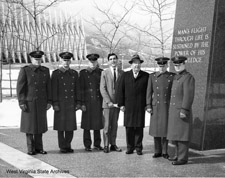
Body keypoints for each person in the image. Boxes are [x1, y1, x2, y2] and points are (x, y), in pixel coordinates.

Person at [16, 50, 51, 155]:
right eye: (36, 59)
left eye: (39, 59)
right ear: (31, 59)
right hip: (29, 102)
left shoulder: (45, 70)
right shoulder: (25, 70)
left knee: (40, 125)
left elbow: (48, 87)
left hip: (41, 102)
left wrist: (49, 101)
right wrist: (21, 102)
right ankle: (30, 149)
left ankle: (39, 148)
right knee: (30, 126)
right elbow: (20, 88)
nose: (38, 61)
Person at [117, 54, 149, 155]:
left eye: (138, 63)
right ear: (131, 65)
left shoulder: (146, 76)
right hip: (128, 106)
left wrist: (147, 105)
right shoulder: (125, 75)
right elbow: (120, 91)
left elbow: (148, 92)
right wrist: (121, 104)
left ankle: (138, 147)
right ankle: (130, 147)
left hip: (140, 106)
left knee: (139, 127)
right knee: (129, 127)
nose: (137, 66)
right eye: (135, 63)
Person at [167, 56, 195, 165]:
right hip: (174, 111)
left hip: (181, 111)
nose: (177, 66)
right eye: (175, 65)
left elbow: (188, 96)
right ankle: (175, 155)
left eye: (179, 64)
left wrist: (184, 110)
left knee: (183, 135)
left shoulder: (188, 77)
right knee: (175, 134)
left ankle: (182, 158)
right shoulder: (176, 77)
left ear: (184, 64)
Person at [51, 52, 80, 153]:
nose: (66, 62)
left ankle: (68, 144)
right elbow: (53, 90)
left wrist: (78, 103)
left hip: (71, 103)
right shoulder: (56, 74)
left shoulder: (74, 74)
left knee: (70, 126)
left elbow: (77, 90)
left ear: (70, 61)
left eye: (68, 60)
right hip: (60, 104)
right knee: (60, 127)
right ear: (60, 61)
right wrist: (54, 103)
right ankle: (62, 146)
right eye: (64, 60)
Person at [146, 57, 175, 159]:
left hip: (167, 106)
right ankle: (157, 151)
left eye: (163, 66)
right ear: (157, 66)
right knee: (156, 131)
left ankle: (165, 151)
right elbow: (149, 93)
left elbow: (173, 93)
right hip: (156, 107)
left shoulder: (172, 76)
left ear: (167, 66)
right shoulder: (152, 76)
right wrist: (148, 105)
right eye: (160, 66)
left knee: (165, 131)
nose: (161, 68)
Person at [79, 53, 104, 151]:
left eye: (94, 61)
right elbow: (80, 89)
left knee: (97, 125)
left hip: (98, 101)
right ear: (88, 62)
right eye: (91, 61)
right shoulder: (83, 73)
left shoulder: (101, 72)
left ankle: (97, 144)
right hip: (87, 102)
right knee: (87, 125)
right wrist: (82, 103)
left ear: (97, 61)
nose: (93, 63)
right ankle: (87, 145)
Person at [100, 53, 124, 153]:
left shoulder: (122, 73)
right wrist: (108, 101)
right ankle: (106, 145)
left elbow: (123, 89)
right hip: (107, 104)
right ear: (108, 61)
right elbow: (102, 88)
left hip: (117, 104)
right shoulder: (104, 73)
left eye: (115, 59)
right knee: (107, 125)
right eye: (111, 59)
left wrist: (121, 102)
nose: (113, 61)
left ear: (117, 60)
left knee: (114, 125)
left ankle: (113, 144)